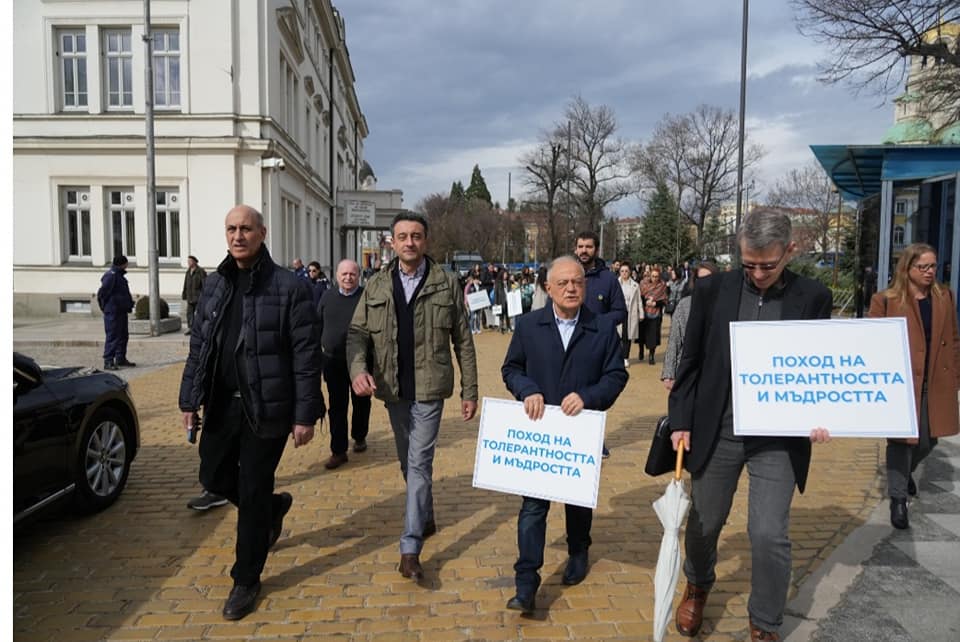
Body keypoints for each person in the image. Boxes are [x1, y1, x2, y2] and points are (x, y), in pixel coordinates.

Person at [668, 208, 832, 641]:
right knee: (704, 523)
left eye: (768, 265)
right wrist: (680, 420)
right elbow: (691, 362)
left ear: (790, 251)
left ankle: (765, 622)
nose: (758, 274)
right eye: (748, 264)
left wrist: (821, 413)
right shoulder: (711, 290)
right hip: (718, 426)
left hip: (777, 435)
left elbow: (819, 367)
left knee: (767, 533)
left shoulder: (813, 296)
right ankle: (698, 583)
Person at [178, 205, 325, 620]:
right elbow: (199, 348)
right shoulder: (214, 284)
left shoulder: (288, 287)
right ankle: (272, 510)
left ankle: (245, 579)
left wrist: (305, 413)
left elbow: (305, 356)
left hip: (269, 406)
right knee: (212, 474)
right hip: (222, 403)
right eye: (231, 228)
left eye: (246, 228)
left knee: (254, 484)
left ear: (262, 233)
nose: (237, 235)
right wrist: (189, 401)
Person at [347, 211, 478, 581]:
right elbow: (357, 333)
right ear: (392, 242)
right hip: (392, 388)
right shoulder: (375, 285)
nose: (409, 242)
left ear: (426, 240)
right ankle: (426, 513)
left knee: (419, 463)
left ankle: (410, 548)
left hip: (430, 389)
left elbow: (463, 341)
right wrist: (358, 369)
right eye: (402, 236)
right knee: (408, 462)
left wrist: (471, 391)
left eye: (416, 236)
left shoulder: (445, 283)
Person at [501, 255, 628, 614]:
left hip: (579, 431)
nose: (571, 288)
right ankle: (526, 582)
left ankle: (578, 550)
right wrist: (527, 390)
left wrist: (588, 397)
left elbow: (616, 376)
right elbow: (511, 367)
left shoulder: (602, 328)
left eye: (577, 282)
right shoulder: (528, 326)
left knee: (577, 502)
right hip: (541, 433)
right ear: (548, 288)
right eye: (563, 283)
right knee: (532, 509)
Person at [868, 243, 960, 530]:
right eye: (923, 267)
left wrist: (955, 375)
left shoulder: (944, 296)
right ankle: (898, 500)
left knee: (928, 439)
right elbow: (870, 341)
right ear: (906, 269)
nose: (930, 272)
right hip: (902, 382)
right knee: (901, 441)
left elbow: (954, 338)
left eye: (933, 266)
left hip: (936, 380)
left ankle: (904, 472)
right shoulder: (885, 300)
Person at [317, 259, 372, 470]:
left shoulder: (366, 297)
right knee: (337, 407)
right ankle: (338, 451)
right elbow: (317, 323)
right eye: (344, 274)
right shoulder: (327, 296)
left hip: (361, 361)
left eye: (352, 274)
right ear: (337, 275)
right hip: (333, 361)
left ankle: (359, 436)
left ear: (358, 276)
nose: (348, 277)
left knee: (361, 402)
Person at [575, 231, 626, 458]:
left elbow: (620, 311)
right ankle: (570, 438)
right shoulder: (568, 273)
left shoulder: (608, 280)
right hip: (568, 344)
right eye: (580, 246)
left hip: (597, 347)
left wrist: (599, 324)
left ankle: (595, 440)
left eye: (588, 246)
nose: (584, 250)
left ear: (596, 249)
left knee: (593, 394)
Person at [661, 262, 719, 390]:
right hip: (688, 370)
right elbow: (674, 339)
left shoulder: (725, 305)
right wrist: (668, 373)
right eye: (701, 279)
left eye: (710, 279)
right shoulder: (684, 305)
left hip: (716, 372)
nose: (706, 283)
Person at [97, 255, 135, 371]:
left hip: (121, 311)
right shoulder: (111, 276)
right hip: (113, 312)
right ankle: (108, 361)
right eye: (126, 263)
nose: (127, 265)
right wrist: (106, 308)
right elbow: (102, 294)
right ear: (122, 264)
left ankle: (120, 358)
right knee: (113, 336)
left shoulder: (118, 275)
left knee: (123, 336)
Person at [638, 267, 668, 365]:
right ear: (650, 276)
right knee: (642, 335)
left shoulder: (662, 285)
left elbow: (664, 300)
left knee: (653, 336)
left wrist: (655, 303)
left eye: (657, 277)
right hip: (644, 312)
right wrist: (646, 301)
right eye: (653, 276)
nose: (655, 278)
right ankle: (641, 350)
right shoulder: (643, 284)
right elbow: (639, 297)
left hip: (656, 314)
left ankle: (651, 355)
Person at [618, 262, 641, 367]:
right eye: (622, 271)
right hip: (617, 312)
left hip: (630, 313)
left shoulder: (635, 285)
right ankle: (617, 357)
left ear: (630, 272)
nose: (624, 273)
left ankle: (625, 357)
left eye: (626, 271)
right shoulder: (615, 283)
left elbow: (639, 301)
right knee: (617, 336)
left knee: (627, 337)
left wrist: (641, 313)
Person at [181, 255, 207, 335]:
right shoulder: (188, 272)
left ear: (195, 262)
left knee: (199, 313)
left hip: (198, 297)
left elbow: (205, 284)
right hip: (190, 296)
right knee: (189, 314)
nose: (188, 263)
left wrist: (204, 296)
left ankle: (199, 329)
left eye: (190, 261)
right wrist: (184, 294)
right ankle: (190, 328)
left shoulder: (201, 272)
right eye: (188, 261)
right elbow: (186, 283)